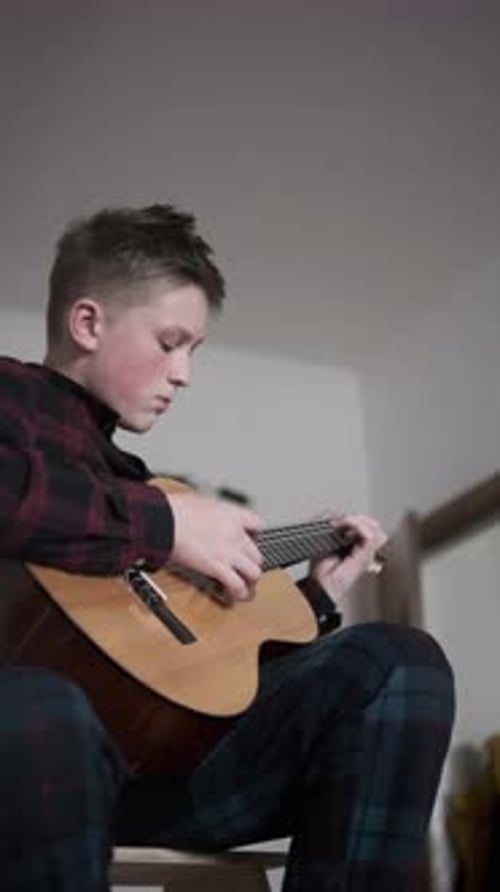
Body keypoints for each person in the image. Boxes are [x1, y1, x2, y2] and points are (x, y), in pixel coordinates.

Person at [0, 203, 454, 891]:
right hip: (36, 760)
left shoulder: (138, 482)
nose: (184, 373)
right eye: (170, 341)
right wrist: (169, 528)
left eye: (195, 351)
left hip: (161, 768)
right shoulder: (13, 401)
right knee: (44, 708)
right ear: (88, 322)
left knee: (396, 661)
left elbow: (202, 667)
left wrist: (318, 596)